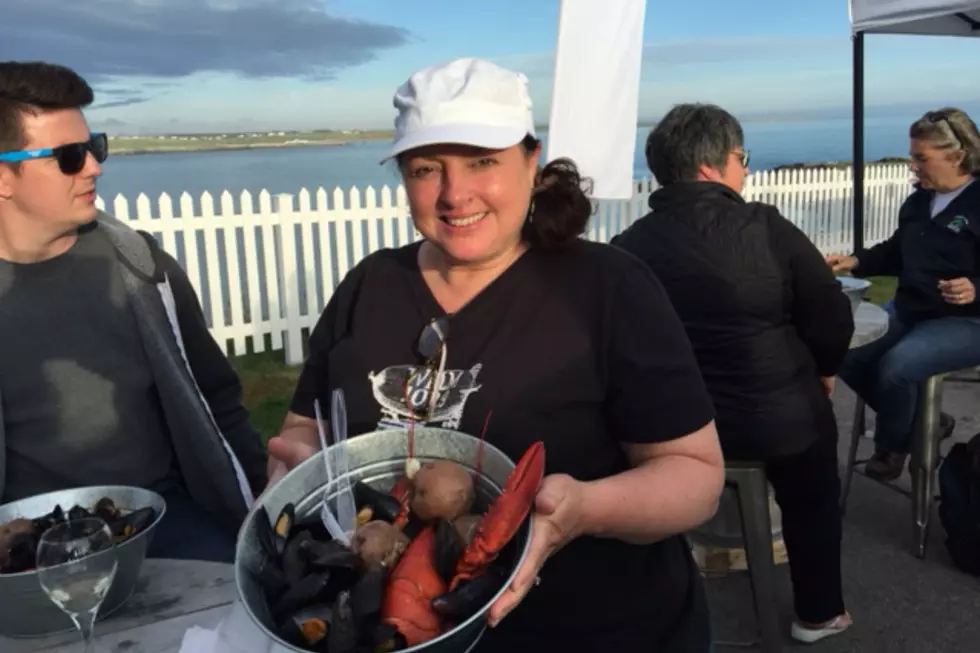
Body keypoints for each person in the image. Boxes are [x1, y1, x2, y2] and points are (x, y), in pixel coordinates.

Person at [266, 57, 725, 653]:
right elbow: (305, 426)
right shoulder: (368, 285)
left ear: (531, 163)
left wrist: (583, 508)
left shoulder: (607, 288)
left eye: (483, 162)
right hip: (396, 630)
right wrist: (295, 469)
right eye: (427, 168)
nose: (455, 194)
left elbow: (696, 477)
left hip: (599, 631)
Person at [0, 61, 268, 561]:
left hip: (164, 524)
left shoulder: (141, 267)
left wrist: (262, 507)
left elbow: (216, 398)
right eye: (69, 156)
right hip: (28, 551)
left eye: (94, 147)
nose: (94, 167)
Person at [612, 103, 856, 643]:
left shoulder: (628, 249)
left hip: (681, 432)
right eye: (742, 158)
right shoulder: (765, 226)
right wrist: (824, 369)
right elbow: (829, 312)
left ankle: (673, 610)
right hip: (782, 421)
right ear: (713, 165)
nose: (744, 170)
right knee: (812, 498)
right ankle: (819, 613)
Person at [827, 107, 980, 481]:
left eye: (920, 158)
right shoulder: (918, 202)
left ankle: (893, 446)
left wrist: (975, 288)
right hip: (911, 308)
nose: (912, 166)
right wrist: (855, 261)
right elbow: (898, 251)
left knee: (897, 367)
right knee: (841, 350)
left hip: (965, 321)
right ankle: (923, 426)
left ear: (957, 156)